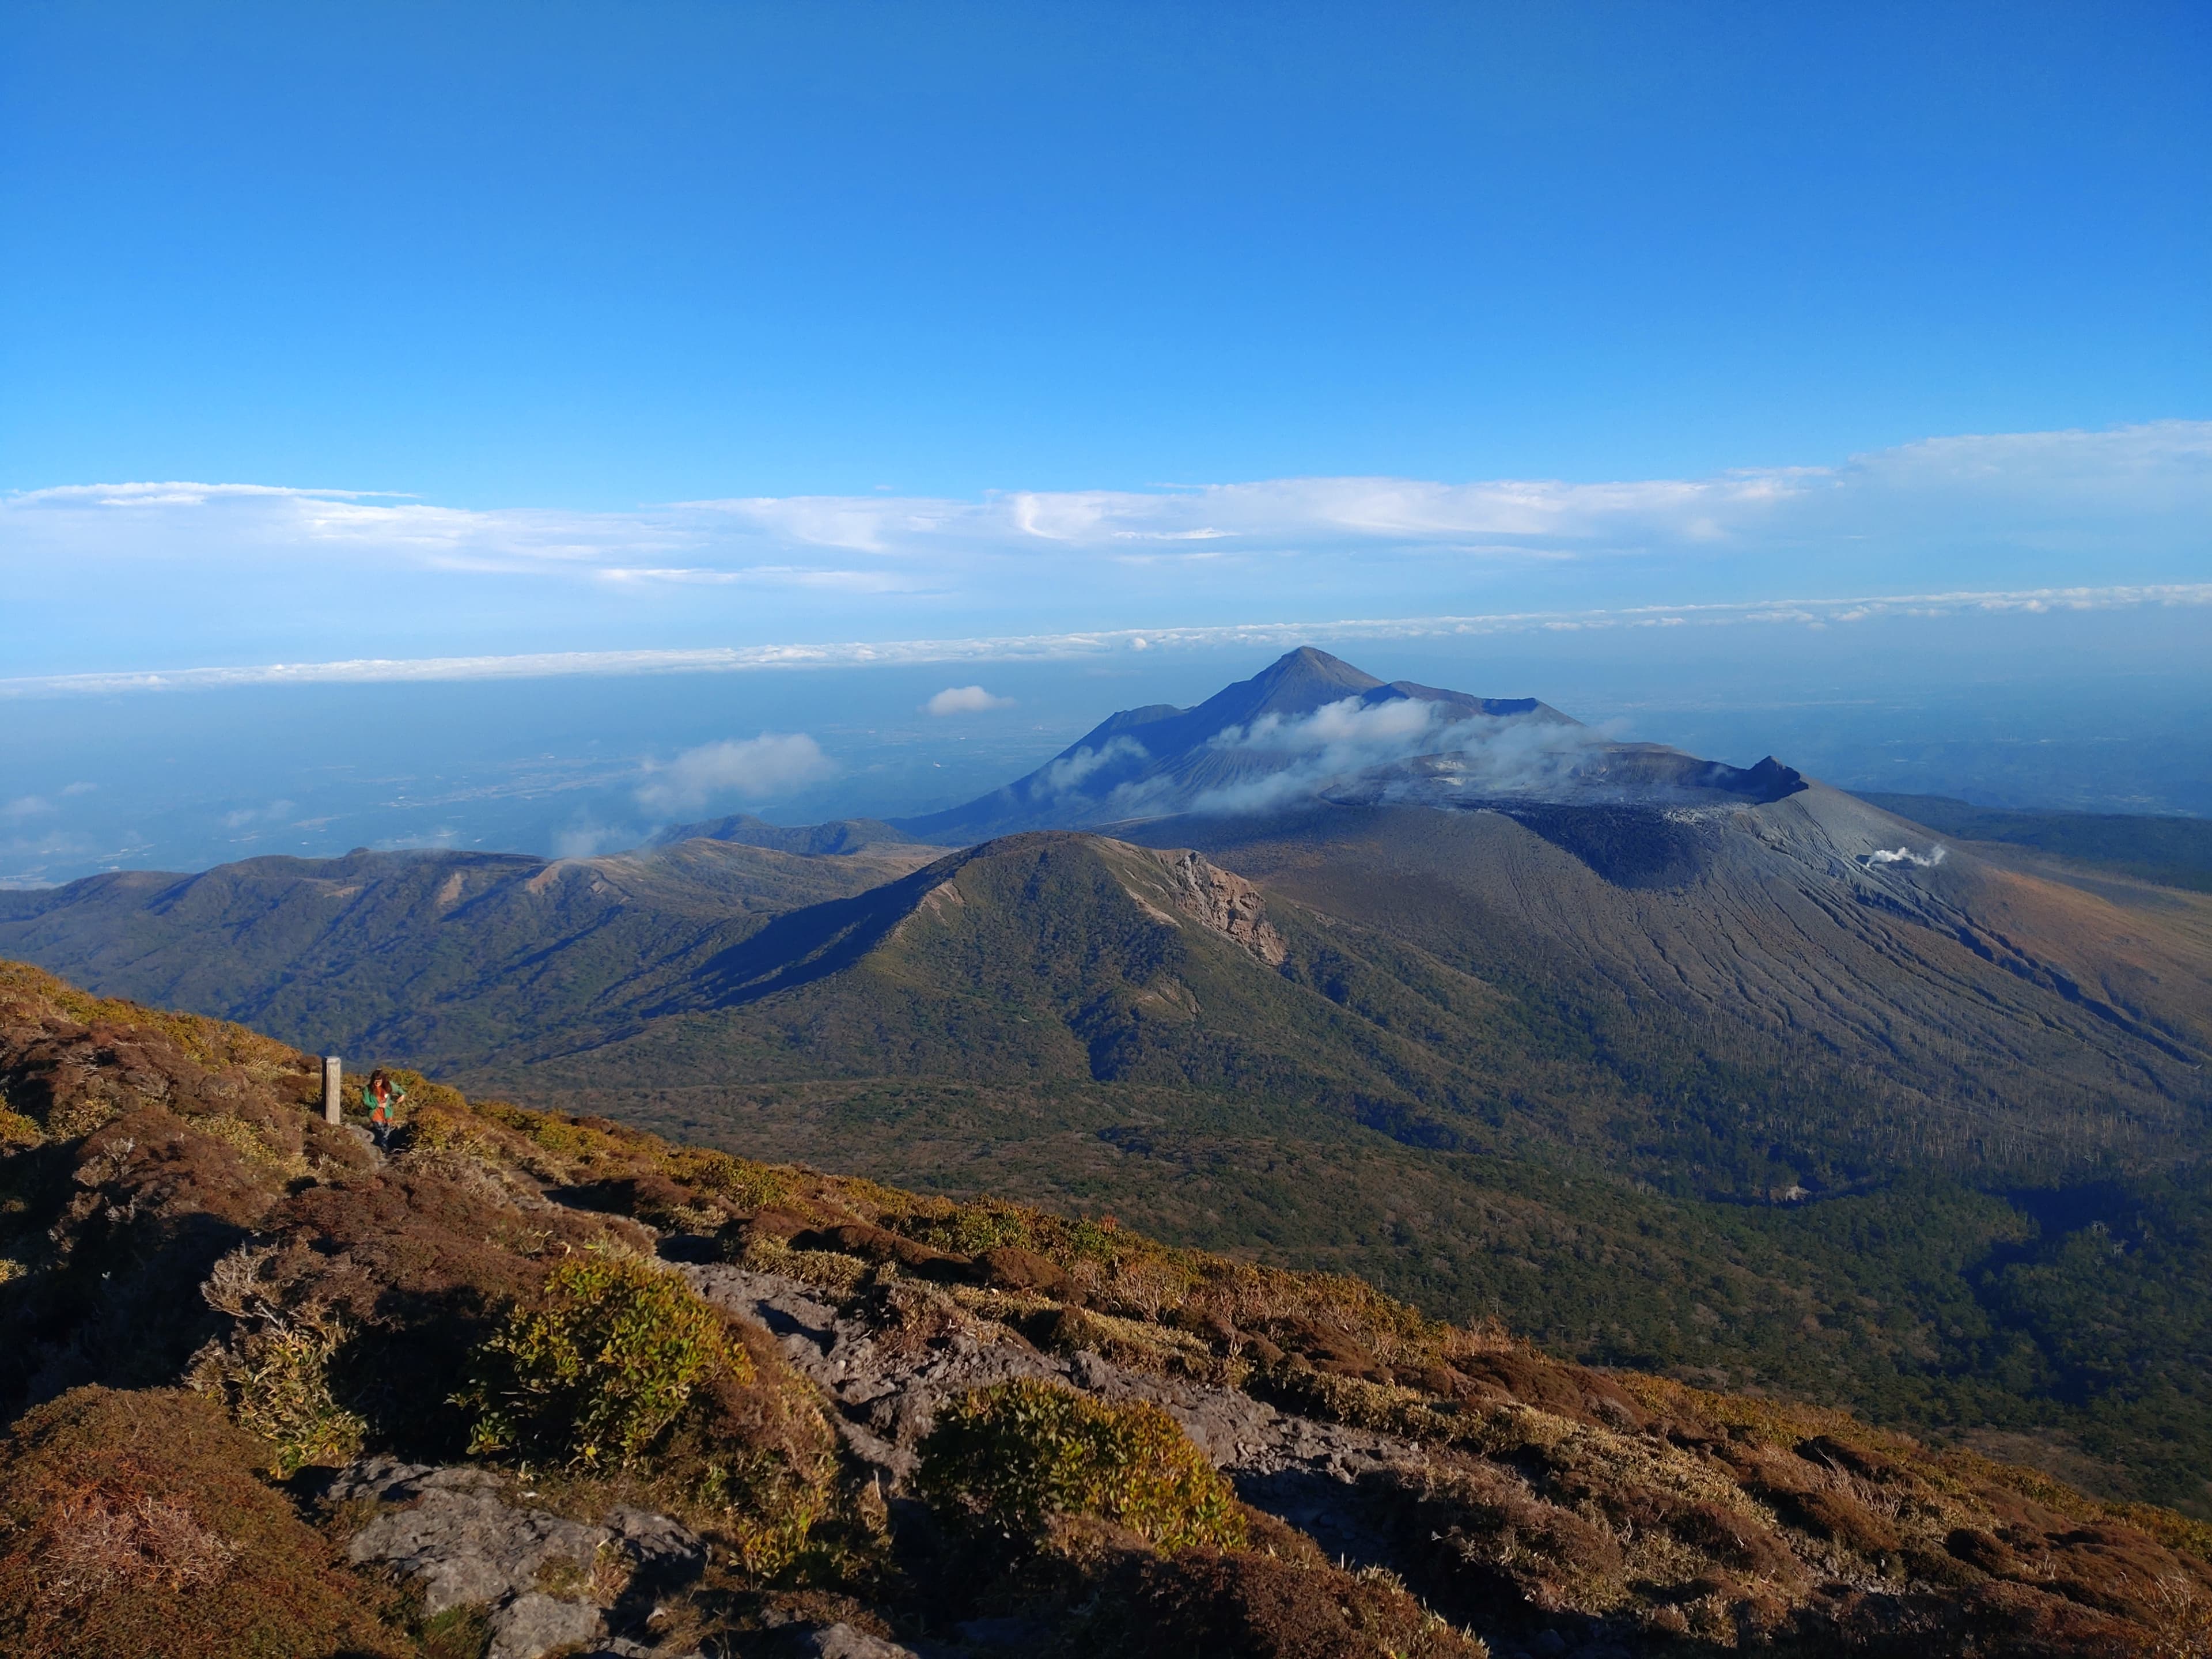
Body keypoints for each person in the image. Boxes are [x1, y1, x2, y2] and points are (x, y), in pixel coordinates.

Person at [363, 1068, 407, 1151]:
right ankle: (385, 1151)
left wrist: (402, 1095)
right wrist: (378, 1105)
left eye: (379, 1081)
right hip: (375, 1114)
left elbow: (399, 1089)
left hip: (387, 1114)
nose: (376, 1083)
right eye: (375, 1081)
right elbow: (366, 1102)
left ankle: (385, 1149)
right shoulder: (367, 1089)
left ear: (383, 1080)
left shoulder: (388, 1086)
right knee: (382, 1133)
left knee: (387, 1132)